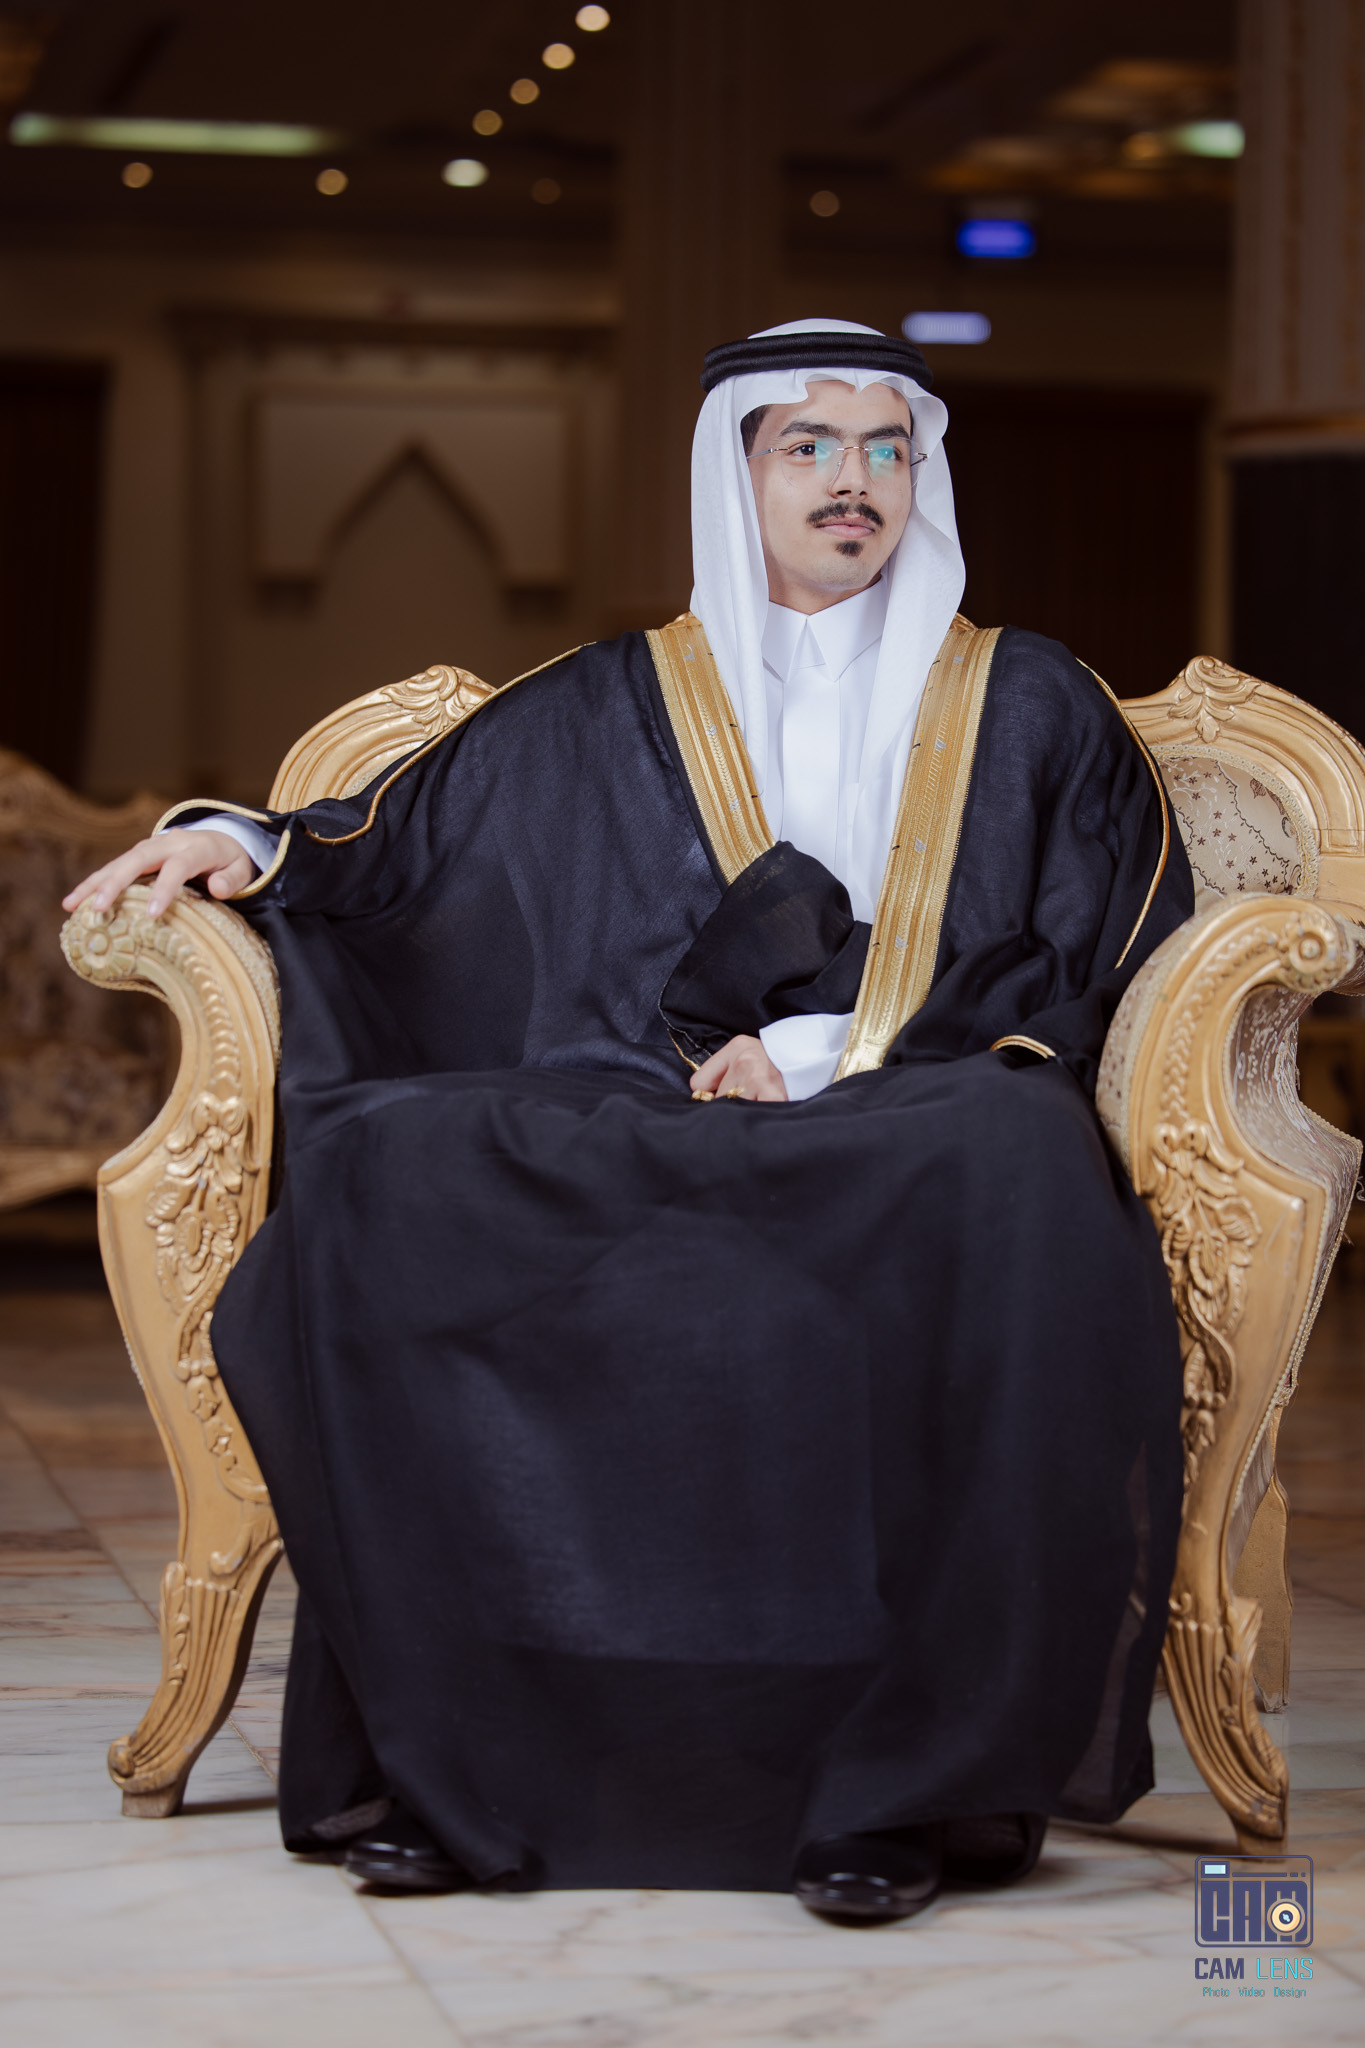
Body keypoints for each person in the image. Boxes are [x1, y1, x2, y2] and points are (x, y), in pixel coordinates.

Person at [66, 319, 1192, 1923]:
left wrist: (826, 1053)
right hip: (648, 1086)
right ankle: (472, 1771)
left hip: (920, 1103)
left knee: (1010, 1158)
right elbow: (401, 849)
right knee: (393, 1163)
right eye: (810, 446)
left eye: (885, 449)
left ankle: (898, 1794)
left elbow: (1094, 944)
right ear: (738, 471)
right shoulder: (619, 693)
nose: (853, 481)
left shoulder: (1031, 702)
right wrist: (245, 846)